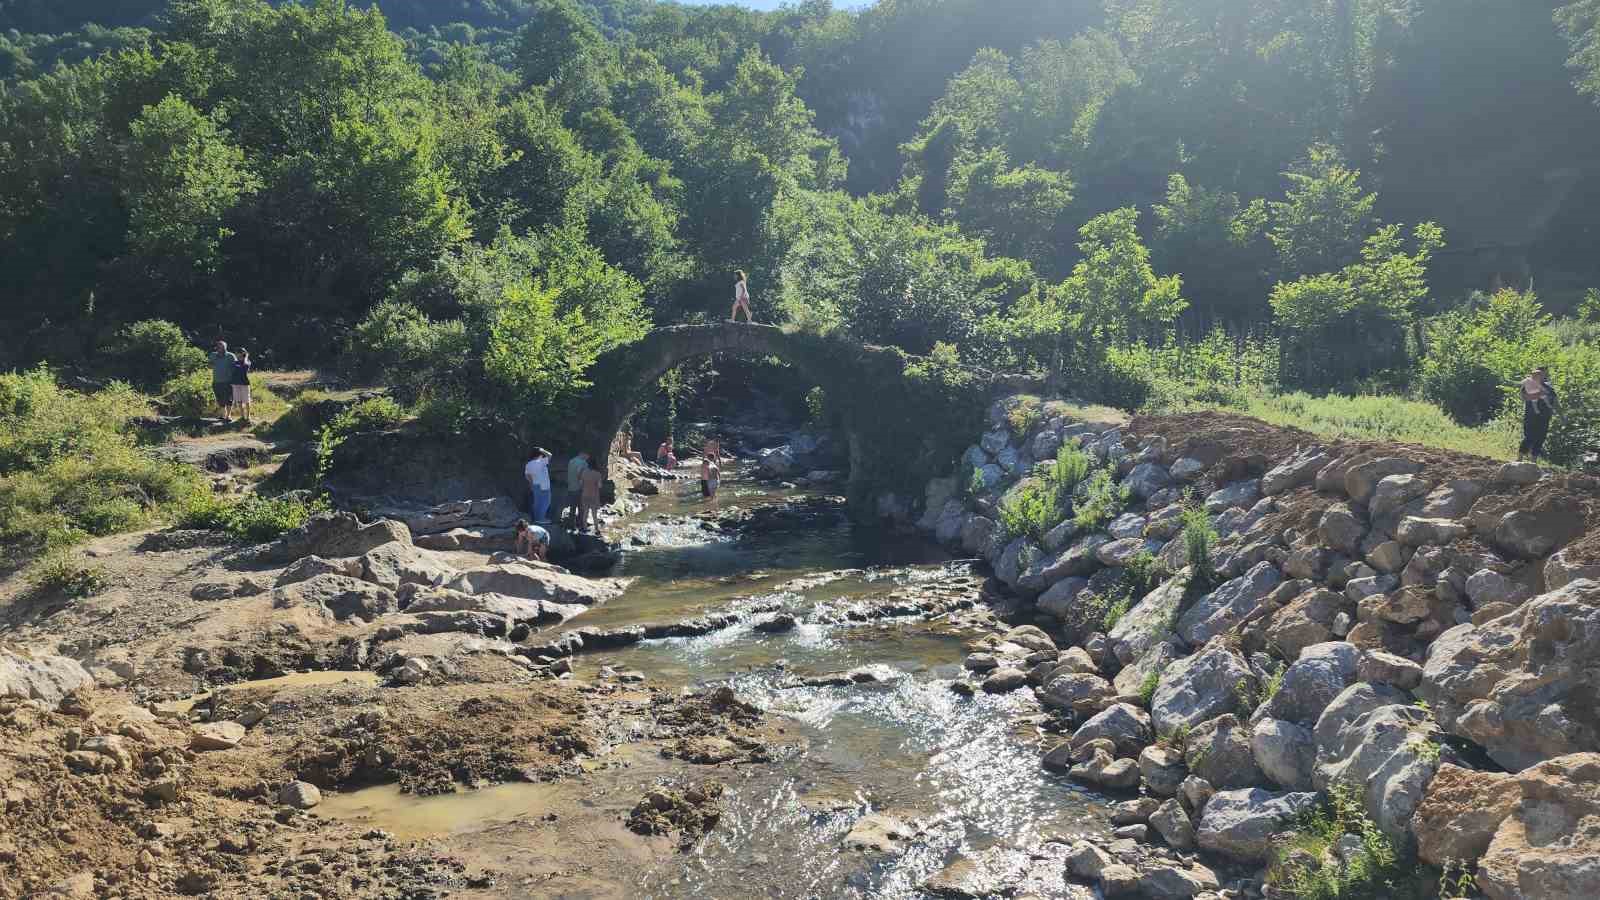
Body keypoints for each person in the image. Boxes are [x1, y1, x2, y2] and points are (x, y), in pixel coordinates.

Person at [1518, 366, 1558, 462]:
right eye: (1542, 373)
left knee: (1540, 438)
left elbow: (1555, 401)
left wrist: (1559, 413)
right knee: (1529, 437)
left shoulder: (1549, 387)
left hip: (1545, 417)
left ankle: (1533, 461)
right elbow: (1523, 397)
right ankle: (1519, 458)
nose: (1544, 375)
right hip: (1531, 416)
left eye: (1545, 373)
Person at [209, 340, 238, 421]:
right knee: (220, 399)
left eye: (222, 347)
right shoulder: (212, 355)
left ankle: (228, 416)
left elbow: (236, 367)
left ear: (225, 347)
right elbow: (210, 365)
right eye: (219, 347)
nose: (220, 348)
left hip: (228, 381)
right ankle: (223, 415)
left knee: (229, 399)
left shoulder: (231, 356)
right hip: (216, 381)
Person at [524, 447, 552, 524]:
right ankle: (541, 519)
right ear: (539, 454)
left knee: (537, 502)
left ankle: (536, 518)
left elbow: (527, 476)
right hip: (544, 486)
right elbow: (550, 455)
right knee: (546, 502)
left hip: (535, 485)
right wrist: (542, 450)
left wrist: (531, 484)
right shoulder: (540, 461)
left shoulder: (528, 464)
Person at [564, 450, 591, 526]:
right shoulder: (583, 463)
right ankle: (581, 525)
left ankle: (571, 524)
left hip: (571, 488)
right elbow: (580, 475)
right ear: (583, 454)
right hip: (580, 489)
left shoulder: (571, 461)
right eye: (587, 456)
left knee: (572, 508)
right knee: (582, 508)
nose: (588, 458)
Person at [578, 462, 604, 534]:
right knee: (594, 514)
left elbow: (580, 484)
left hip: (585, 495)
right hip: (594, 496)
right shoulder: (597, 474)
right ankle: (596, 529)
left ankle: (585, 528)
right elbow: (599, 486)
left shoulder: (584, 473)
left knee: (585, 513)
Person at [230, 348, 254, 424]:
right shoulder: (234, 362)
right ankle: (242, 416)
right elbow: (232, 371)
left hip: (244, 383)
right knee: (238, 400)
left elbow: (245, 368)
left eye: (239, 353)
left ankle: (248, 415)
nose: (237, 354)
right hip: (235, 383)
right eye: (237, 353)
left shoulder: (247, 362)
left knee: (247, 400)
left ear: (243, 354)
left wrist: (245, 356)